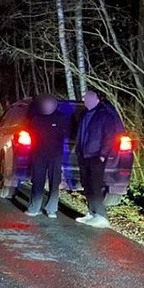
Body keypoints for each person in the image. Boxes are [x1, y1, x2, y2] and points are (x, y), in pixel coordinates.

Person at [75, 89, 124, 229]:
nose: (86, 100)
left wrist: (103, 154)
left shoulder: (104, 115)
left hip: (96, 156)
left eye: (90, 97)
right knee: (87, 185)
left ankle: (102, 217)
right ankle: (92, 213)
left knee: (96, 186)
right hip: (84, 155)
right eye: (85, 98)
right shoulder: (85, 114)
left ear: (97, 99)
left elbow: (110, 136)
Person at [25, 94, 70, 218]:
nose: (47, 107)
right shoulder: (36, 119)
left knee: (54, 183)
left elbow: (66, 135)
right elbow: (30, 134)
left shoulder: (61, 118)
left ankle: (51, 209)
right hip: (39, 155)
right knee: (37, 181)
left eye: (50, 104)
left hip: (55, 155)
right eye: (45, 105)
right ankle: (34, 208)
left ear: (54, 106)